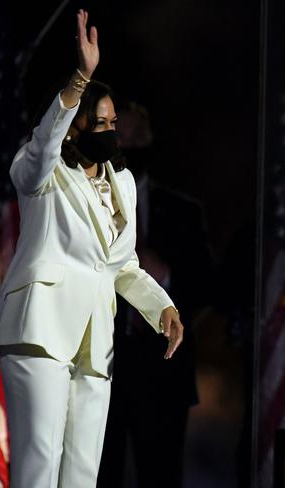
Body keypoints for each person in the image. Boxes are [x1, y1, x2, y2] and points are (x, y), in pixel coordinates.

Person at [0, 10, 183, 488]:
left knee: (82, 474)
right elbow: (41, 151)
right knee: (39, 466)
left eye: (114, 123)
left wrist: (162, 308)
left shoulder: (123, 182)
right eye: (100, 123)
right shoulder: (42, 170)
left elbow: (122, 265)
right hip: (40, 330)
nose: (111, 132)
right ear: (75, 126)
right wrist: (80, 79)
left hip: (95, 341)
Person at [98, 102, 212, 487]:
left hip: (164, 369)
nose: (129, 146)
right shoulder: (91, 205)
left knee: (161, 474)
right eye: (120, 137)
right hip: (102, 365)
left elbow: (207, 284)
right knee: (98, 472)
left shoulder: (183, 212)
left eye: (138, 137)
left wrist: (167, 275)